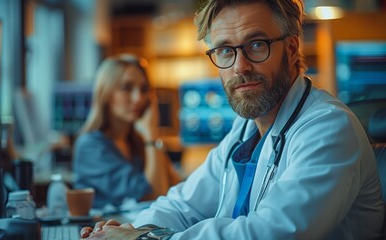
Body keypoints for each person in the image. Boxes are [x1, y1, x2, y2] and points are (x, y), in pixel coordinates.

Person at [80, 0, 385, 239]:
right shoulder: (245, 131)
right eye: (225, 50)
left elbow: (270, 234)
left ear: (291, 49)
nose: (240, 66)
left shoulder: (328, 128)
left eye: (256, 44)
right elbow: (183, 205)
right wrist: (123, 231)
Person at [72, 54, 181, 208]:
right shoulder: (90, 146)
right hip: (102, 229)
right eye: (126, 88)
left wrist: (152, 136)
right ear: (106, 94)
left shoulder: (136, 140)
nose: (138, 98)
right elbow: (154, 196)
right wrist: (151, 136)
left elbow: (174, 186)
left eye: (144, 89)